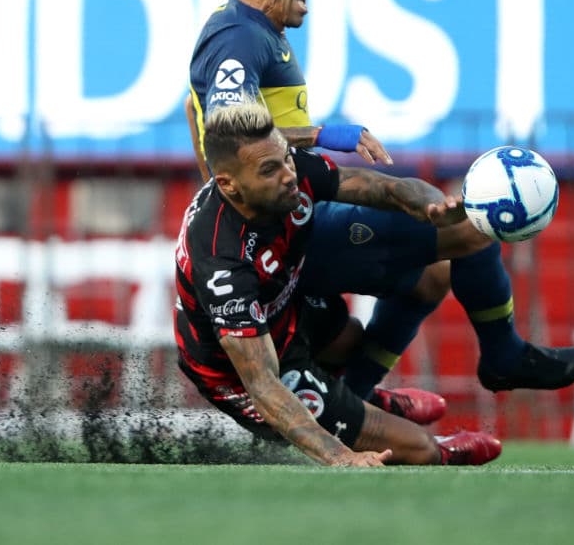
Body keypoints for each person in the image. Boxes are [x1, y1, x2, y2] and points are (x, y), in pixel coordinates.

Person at [185, 0, 574, 414]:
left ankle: (358, 396)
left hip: (284, 221)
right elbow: (228, 131)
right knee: (472, 230)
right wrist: (325, 134)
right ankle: (503, 355)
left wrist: (218, 189)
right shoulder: (240, 37)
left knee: (432, 278)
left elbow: (194, 111)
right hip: (289, 228)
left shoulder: (249, 31)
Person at [174, 101, 502, 466]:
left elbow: (384, 188)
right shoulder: (222, 263)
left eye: (286, 160)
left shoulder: (288, 171)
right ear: (228, 185)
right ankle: (431, 445)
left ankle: (364, 398)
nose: (288, 175)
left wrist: (432, 206)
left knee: (349, 337)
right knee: (418, 447)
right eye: (270, 170)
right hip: (240, 372)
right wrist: (340, 456)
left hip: (283, 307)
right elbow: (264, 385)